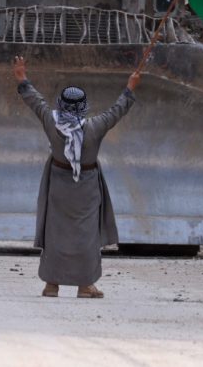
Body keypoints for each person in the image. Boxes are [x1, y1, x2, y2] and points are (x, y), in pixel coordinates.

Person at [12, 55, 140, 299]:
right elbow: (117, 110)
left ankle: (52, 285)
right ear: (84, 106)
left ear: (60, 104)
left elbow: (35, 101)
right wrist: (130, 88)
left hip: (58, 185)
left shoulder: (52, 121)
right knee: (87, 235)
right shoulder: (96, 126)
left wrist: (22, 78)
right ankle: (85, 286)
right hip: (87, 186)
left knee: (55, 232)